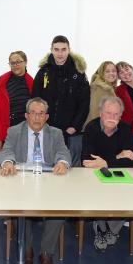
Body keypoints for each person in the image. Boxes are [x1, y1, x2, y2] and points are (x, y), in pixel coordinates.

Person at [0, 97, 72, 264]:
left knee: (60, 207)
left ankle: (46, 251)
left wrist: (62, 162)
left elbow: (63, 152)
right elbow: (6, 151)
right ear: (26, 115)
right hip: (22, 180)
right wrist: (8, 162)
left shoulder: (56, 133)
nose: (37, 118)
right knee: (20, 206)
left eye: (41, 114)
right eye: (33, 113)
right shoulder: (14, 131)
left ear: (47, 117)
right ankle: (27, 248)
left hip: (48, 180)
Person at [82, 96, 133, 252]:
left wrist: (106, 162)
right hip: (94, 176)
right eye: (108, 113)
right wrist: (119, 157)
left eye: (116, 114)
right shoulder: (91, 128)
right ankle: (101, 228)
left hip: (120, 176)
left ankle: (110, 230)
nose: (112, 117)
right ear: (100, 112)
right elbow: (86, 161)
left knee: (129, 192)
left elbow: (132, 160)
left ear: (121, 115)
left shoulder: (125, 129)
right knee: (98, 191)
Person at [31, 35, 89, 167]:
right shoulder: (43, 72)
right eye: (56, 49)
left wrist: (75, 126)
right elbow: (35, 99)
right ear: (51, 50)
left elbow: (84, 103)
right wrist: (38, 122)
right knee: (45, 165)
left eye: (63, 49)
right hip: (46, 128)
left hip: (69, 131)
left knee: (65, 166)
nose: (60, 53)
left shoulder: (78, 73)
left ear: (69, 50)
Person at [0, 51, 34, 163]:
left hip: (26, 132)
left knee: (24, 165)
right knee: (7, 165)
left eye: (18, 62)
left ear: (26, 62)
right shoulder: (0, 83)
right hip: (7, 133)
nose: (15, 65)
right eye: (12, 63)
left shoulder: (33, 83)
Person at [83, 61, 118, 128]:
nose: (111, 73)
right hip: (99, 130)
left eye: (114, 71)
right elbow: (95, 112)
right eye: (107, 71)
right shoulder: (101, 88)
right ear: (102, 73)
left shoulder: (107, 87)